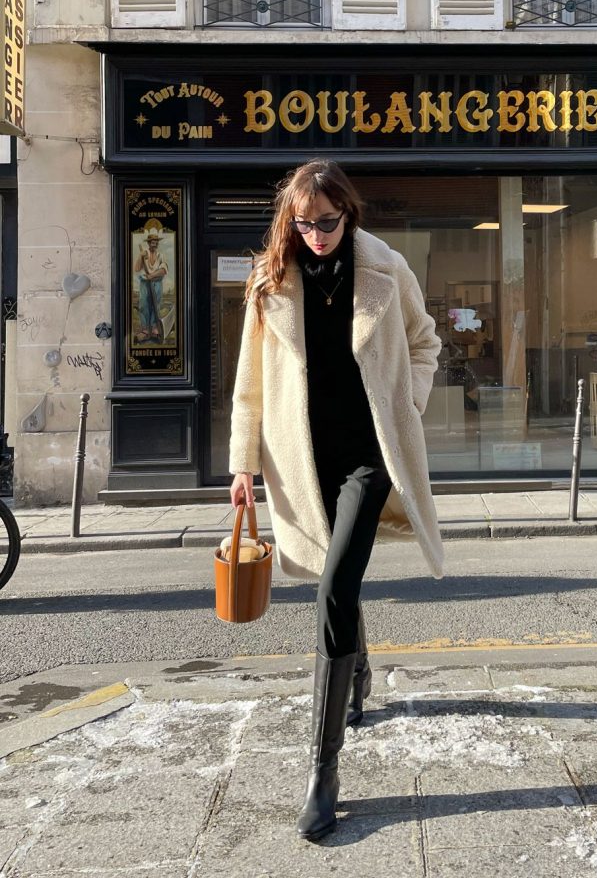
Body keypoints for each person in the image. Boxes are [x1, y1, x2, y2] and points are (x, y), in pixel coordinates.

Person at [228, 159, 443, 841]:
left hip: (369, 457)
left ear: (348, 214)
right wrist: (242, 466)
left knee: (331, 591)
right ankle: (359, 670)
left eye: (328, 220)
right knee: (336, 583)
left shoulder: (386, 269)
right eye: (304, 221)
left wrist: (407, 403)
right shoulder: (269, 282)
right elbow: (250, 386)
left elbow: (426, 340)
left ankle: (322, 769)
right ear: (290, 219)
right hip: (301, 460)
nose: (316, 233)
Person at [133, 227, 168, 343]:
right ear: (148, 243)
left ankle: (154, 329)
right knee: (143, 305)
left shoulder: (160, 255)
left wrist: (152, 275)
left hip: (157, 283)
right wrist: (139, 256)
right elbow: (137, 269)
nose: (155, 244)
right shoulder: (144, 254)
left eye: (156, 242)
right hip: (145, 284)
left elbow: (163, 270)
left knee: (156, 305)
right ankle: (145, 330)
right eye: (153, 242)